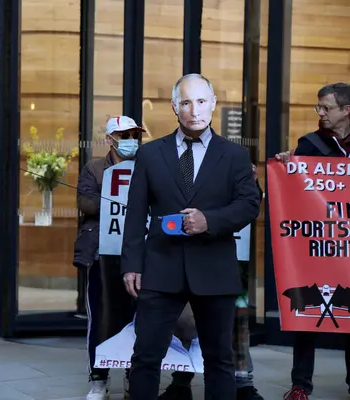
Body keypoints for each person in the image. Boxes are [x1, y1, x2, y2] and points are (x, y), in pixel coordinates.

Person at [120, 73, 261, 400]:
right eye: (186, 102)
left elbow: (249, 205)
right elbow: (135, 213)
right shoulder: (150, 154)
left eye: (201, 101)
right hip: (159, 268)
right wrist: (131, 265)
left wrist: (208, 221)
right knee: (145, 358)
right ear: (174, 107)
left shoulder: (235, 155)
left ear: (213, 104)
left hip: (215, 269)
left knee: (219, 360)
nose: (194, 109)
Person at [159, 164, 265, 400]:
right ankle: (182, 378)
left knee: (234, 324)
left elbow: (250, 206)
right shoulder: (187, 176)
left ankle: (243, 381)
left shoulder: (238, 175)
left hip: (232, 260)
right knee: (186, 320)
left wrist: (252, 182)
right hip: (194, 255)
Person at [274, 82, 350, 400]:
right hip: (316, 244)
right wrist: (287, 169)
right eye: (317, 107)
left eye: (326, 108)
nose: (320, 113)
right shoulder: (310, 144)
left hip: (346, 245)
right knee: (307, 314)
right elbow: (298, 192)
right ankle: (300, 385)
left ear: (347, 110)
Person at [74, 115, 144, 400]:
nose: (131, 141)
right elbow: (86, 203)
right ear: (110, 140)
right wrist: (119, 196)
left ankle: (133, 375)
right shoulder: (93, 168)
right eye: (124, 135)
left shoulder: (147, 166)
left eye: (134, 135)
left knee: (138, 318)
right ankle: (99, 378)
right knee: (101, 318)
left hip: (139, 255)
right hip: (102, 255)